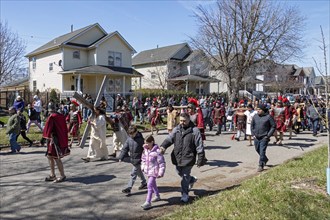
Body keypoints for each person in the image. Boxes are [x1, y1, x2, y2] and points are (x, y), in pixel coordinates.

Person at [160, 112, 206, 203]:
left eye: (184, 121)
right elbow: (169, 138)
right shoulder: (176, 129)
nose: (182, 122)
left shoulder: (195, 131)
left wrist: (200, 157)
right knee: (178, 171)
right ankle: (192, 179)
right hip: (177, 157)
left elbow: (199, 145)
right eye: (180, 120)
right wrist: (163, 146)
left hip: (189, 157)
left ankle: (185, 194)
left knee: (185, 177)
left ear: (189, 120)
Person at [43, 102, 70, 183]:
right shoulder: (61, 116)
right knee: (49, 156)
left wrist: (44, 139)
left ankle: (62, 175)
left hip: (54, 140)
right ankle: (52, 175)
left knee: (56, 157)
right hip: (58, 139)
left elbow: (48, 129)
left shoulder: (52, 117)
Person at [119, 125, 147, 194]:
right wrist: (121, 157)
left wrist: (146, 157)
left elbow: (145, 149)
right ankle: (144, 183)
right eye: (130, 135)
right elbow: (125, 148)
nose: (131, 136)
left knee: (133, 173)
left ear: (136, 132)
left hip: (139, 159)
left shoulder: (140, 139)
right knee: (138, 171)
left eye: (133, 134)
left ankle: (129, 188)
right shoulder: (129, 139)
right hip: (133, 159)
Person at [140, 135, 166, 210]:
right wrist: (143, 167)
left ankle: (148, 202)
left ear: (152, 142)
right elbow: (143, 160)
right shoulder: (145, 150)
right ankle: (157, 196)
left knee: (149, 185)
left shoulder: (157, 151)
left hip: (154, 171)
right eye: (145, 143)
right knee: (153, 184)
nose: (146, 145)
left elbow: (161, 163)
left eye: (148, 143)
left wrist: (161, 172)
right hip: (148, 170)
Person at [251, 104, 276, 172]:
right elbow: (252, 126)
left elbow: (273, 126)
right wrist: (253, 134)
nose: (257, 110)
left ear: (263, 110)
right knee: (257, 149)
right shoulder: (255, 116)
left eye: (259, 109)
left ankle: (261, 165)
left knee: (262, 151)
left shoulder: (268, 117)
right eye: (257, 109)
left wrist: (268, 135)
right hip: (256, 137)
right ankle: (265, 159)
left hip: (264, 137)